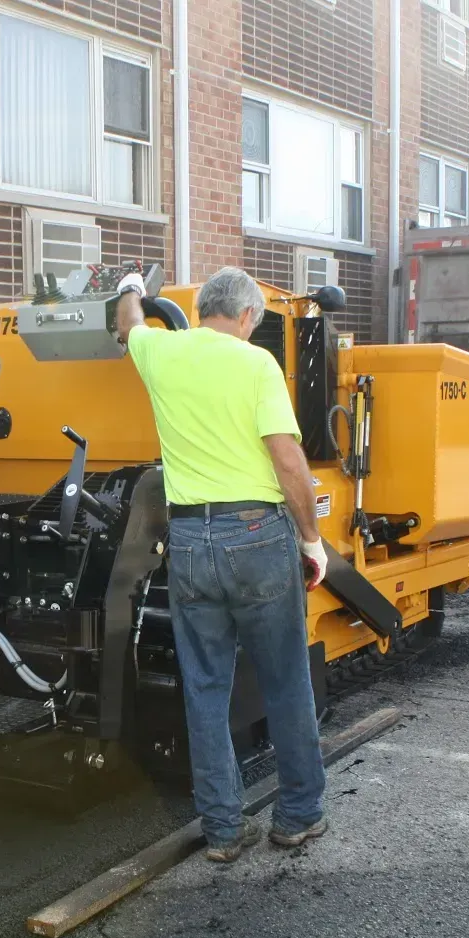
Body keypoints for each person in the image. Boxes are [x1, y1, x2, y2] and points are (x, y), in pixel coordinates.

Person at [115, 267, 328, 863]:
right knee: (286, 680)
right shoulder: (255, 363)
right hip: (256, 535)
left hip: (186, 539)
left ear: (203, 307)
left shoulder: (160, 351)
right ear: (248, 317)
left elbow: (128, 321)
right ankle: (298, 816)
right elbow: (288, 462)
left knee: (205, 689)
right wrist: (312, 541)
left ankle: (223, 832)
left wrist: (132, 286)